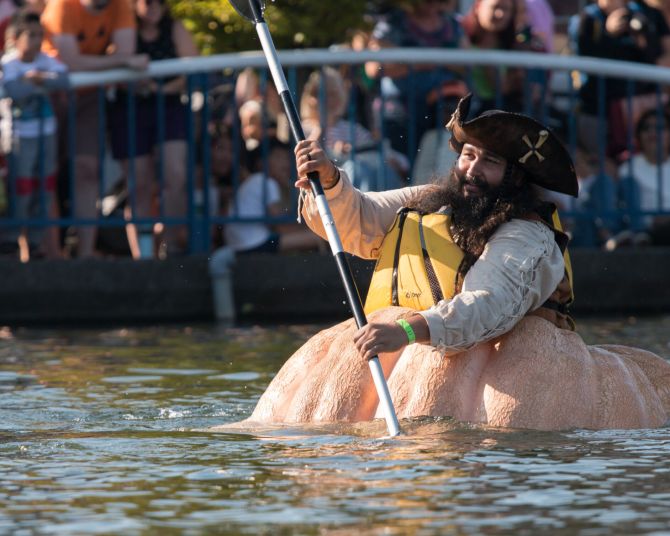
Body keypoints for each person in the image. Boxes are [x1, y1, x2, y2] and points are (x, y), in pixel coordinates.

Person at [237, 93, 670, 431]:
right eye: (468, 154)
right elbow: (360, 219)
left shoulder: (529, 234)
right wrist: (330, 181)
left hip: (511, 367)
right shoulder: (426, 202)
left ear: (517, 177)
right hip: (393, 348)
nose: (472, 169)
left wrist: (408, 330)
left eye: (491, 161)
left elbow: (489, 303)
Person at [40, 0, 150, 258]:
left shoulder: (120, 6)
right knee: (47, 175)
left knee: (87, 170)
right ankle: (52, 251)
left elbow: (126, 50)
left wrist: (113, 61)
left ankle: (85, 251)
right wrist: (120, 61)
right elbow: (70, 62)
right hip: (49, 95)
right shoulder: (62, 6)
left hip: (90, 96)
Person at [106, 0, 198, 258]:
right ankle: (143, 256)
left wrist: (160, 89)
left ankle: (170, 246)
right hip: (131, 111)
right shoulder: (124, 30)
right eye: (147, 1)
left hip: (169, 107)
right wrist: (137, 85)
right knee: (139, 184)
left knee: (175, 175)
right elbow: (113, 66)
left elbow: (192, 68)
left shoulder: (175, 29)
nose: (154, 6)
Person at [0, 9, 69, 260]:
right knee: (21, 188)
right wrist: (34, 81)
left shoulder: (45, 60)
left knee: (44, 186)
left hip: (46, 133)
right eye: (31, 35)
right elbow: (13, 89)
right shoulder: (8, 63)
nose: (37, 41)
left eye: (40, 35)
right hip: (19, 136)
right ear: (15, 37)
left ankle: (36, 243)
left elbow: (63, 79)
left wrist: (37, 80)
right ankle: (14, 241)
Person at [364, 0, 467, 158]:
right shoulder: (393, 23)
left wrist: (410, 59)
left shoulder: (452, 23)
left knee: (439, 163)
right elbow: (374, 67)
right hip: (400, 112)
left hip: (442, 110)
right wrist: (431, 61)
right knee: (404, 165)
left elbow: (466, 63)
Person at [574, 0, 669, 159]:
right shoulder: (590, 18)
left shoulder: (642, 14)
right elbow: (588, 61)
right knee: (605, 166)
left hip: (637, 112)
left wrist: (639, 37)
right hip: (599, 112)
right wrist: (608, 34)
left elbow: (653, 60)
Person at [299, 66, 408, 191]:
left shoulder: (352, 128)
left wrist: (390, 159)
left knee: (382, 168)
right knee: (356, 168)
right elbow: (305, 160)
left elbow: (378, 151)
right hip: (332, 186)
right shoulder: (303, 129)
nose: (329, 100)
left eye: (333, 94)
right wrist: (332, 147)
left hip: (362, 183)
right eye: (323, 94)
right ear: (311, 98)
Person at [224, 140, 325, 254]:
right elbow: (281, 226)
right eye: (278, 158)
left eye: (286, 158)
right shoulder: (266, 182)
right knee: (317, 237)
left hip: (240, 244)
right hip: (253, 244)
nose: (285, 164)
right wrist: (312, 229)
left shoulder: (257, 180)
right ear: (261, 163)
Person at [461, 0, 547, 115]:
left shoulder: (515, 44)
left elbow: (533, 91)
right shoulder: (462, 38)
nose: (500, 14)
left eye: (506, 9)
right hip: (473, 113)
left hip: (504, 113)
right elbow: (501, 87)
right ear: (478, 6)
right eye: (495, 7)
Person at [614, 107, 670, 246]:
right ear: (639, 135)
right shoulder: (628, 168)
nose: (653, 132)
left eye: (660, 127)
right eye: (646, 128)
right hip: (645, 231)